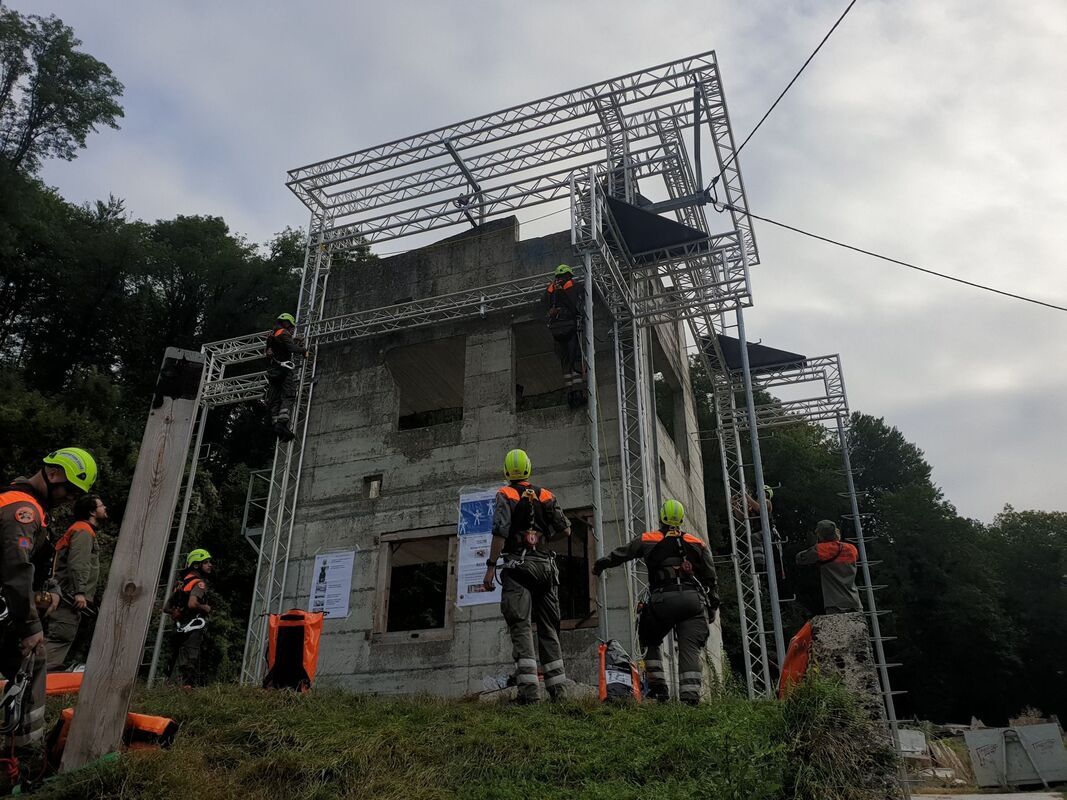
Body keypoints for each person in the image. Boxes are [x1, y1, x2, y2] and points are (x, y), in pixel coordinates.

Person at [0, 448, 96, 780]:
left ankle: (19, 752)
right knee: (32, 657)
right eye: (70, 490)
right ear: (53, 474)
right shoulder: (23, 509)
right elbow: (16, 568)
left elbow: (36, 564)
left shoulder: (28, 505)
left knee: (32, 662)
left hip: (8, 607)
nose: (71, 499)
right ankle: (22, 756)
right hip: (8, 609)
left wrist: (51, 588)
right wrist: (30, 626)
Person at [593, 499, 719, 705]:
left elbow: (623, 553)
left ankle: (659, 690)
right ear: (681, 520)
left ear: (661, 518)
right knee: (690, 648)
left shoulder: (648, 539)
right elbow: (711, 579)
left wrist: (602, 564)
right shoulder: (698, 543)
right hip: (693, 601)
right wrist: (712, 607)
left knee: (648, 637)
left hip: (662, 600)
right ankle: (690, 699)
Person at [482, 449, 571, 703]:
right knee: (548, 629)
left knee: (521, 626)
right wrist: (543, 538)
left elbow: (500, 533)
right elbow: (565, 530)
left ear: (506, 471)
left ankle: (529, 693)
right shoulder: (546, 495)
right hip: (546, 568)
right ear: (529, 468)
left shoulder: (505, 494)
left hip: (519, 568)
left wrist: (491, 567)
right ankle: (559, 693)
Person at [44, 494, 105, 671]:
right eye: (101, 506)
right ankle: (37, 679)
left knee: (59, 635)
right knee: (60, 636)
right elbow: (78, 563)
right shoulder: (83, 531)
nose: (105, 508)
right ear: (92, 512)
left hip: (64, 594)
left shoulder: (80, 529)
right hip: (68, 597)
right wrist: (80, 592)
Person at [164, 549, 213, 687]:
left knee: (175, 660)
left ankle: (170, 687)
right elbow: (192, 604)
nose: (210, 565)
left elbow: (166, 608)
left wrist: (175, 612)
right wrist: (206, 608)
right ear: (196, 565)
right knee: (190, 660)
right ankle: (185, 689)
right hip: (193, 628)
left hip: (179, 628)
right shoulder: (199, 583)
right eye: (206, 562)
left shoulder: (180, 584)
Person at [795, 520, 862, 613]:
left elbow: (800, 558)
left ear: (820, 535)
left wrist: (813, 545)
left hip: (835, 604)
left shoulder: (821, 549)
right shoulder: (851, 548)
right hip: (855, 603)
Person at [543, 265, 585, 406]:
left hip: (556, 332)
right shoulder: (575, 286)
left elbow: (543, 308)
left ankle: (569, 394)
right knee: (576, 359)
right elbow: (577, 306)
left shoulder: (550, 291)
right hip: (571, 329)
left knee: (565, 362)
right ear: (569, 275)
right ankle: (578, 393)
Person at [264, 312, 306, 441]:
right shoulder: (284, 333)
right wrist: (304, 350)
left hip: (272, 372)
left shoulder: (273, 335)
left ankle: (278, 426)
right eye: (291, 326)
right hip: (283, 370)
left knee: (276, 398)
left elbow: (281, 348)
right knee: (289, 394)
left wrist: (294, 340)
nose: (292, 330)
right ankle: (282, 423)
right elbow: (291, 348)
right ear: (286, 323)